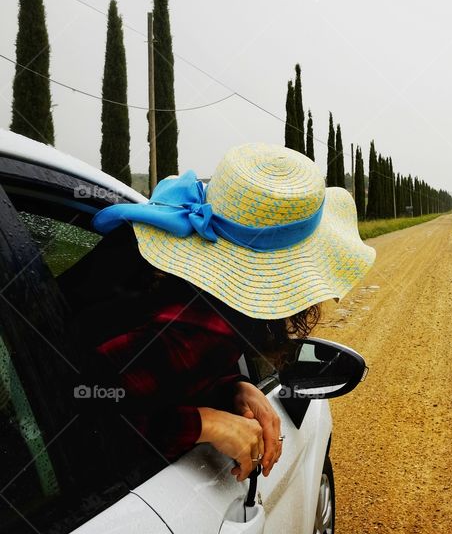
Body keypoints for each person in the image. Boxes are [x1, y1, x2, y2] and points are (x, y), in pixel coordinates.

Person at [60, 142, 375, 482]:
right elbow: (78, 416)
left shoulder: (154, 278)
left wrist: (233, 387)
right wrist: (205, 424)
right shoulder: (206, 330)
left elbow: (150, 379)